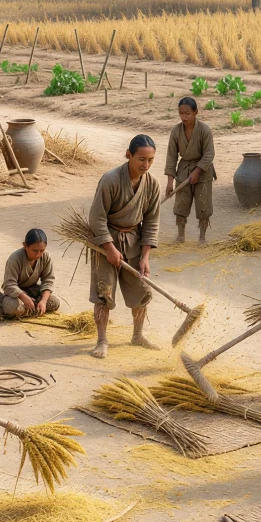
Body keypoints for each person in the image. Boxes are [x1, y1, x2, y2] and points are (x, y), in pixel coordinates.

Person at [88, 135, 162, 359]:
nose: (145, 165)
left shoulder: (152, 184)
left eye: (150, 160)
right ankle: (102, 340)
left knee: (141, 290)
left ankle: (138, 335)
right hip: (105, 240)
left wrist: (145, 257)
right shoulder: (110, 180)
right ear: (128, 155)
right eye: (141, 159)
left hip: (134, 240)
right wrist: (109, 248)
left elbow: (151, 222)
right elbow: (96, 218)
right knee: (104, 292)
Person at [0, 228, 60, 321]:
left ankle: (26, 310)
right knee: (11, 307)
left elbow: (48, 280)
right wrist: (25, 298)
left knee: (54, 302)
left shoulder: (46, 256)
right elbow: (9, 284)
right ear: (25, 246)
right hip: (15, 294)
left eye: (42, 250)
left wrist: (43, 301)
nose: (38, 254)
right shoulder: (15, 259)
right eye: (35, 251)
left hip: (33, 290)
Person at [164, 96, 216, 244]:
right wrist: (169, 182)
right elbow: (171, 157)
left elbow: (209, 154)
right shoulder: (176, 131)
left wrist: (197, 171)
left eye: (187, 113)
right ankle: (180, 236)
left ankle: (202, 237)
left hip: (204, 172)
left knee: (203, 205)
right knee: (181, 205)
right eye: (181, 113)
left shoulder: (204, 130)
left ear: (195, 112)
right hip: (183, 171)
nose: (184, 117)